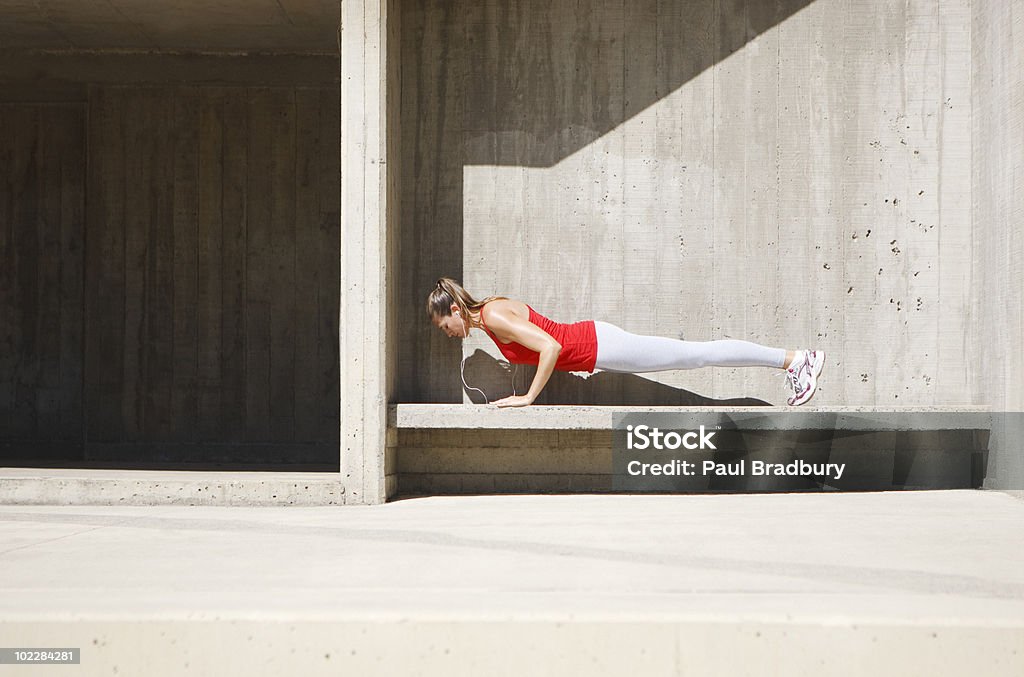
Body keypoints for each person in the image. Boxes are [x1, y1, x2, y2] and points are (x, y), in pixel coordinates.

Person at [427, 277, 824, 408]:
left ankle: (794, 360)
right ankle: (791, 361)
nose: (448, 334)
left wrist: (528, 397)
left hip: (597, 346)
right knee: (693, 356)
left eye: (445, 326)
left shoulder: (493, 315)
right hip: (597, 347)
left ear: (456, 311)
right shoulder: (492, 317)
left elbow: (550, 346)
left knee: (695, 355)